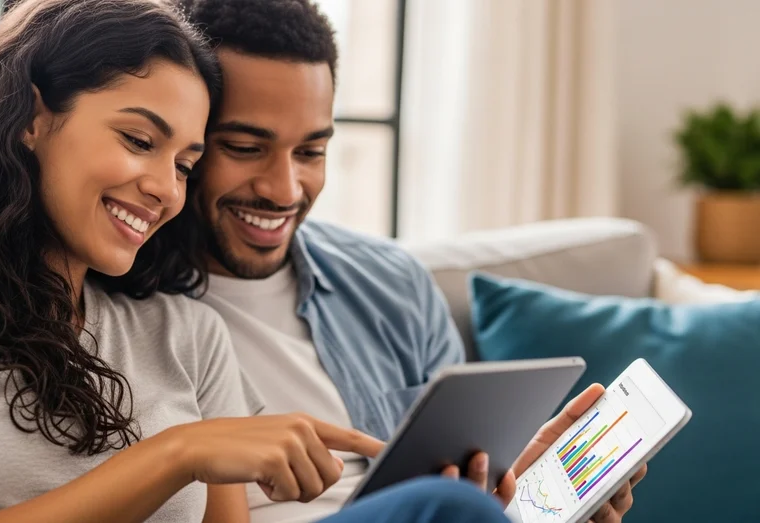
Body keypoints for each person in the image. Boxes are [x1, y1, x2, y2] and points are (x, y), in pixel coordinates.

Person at [0, 0, 510, 522]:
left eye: (185, 162)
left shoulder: (184, 332)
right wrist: (177, 453)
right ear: (32, 117)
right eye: (140, 140)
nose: (165, 189)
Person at [172, 0, 647, 521]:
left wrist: (524, 490)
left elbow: (467, 491)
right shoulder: (121, 307)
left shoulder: (389, 283)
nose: (284, 189)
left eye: (311, 153)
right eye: (244, 147)